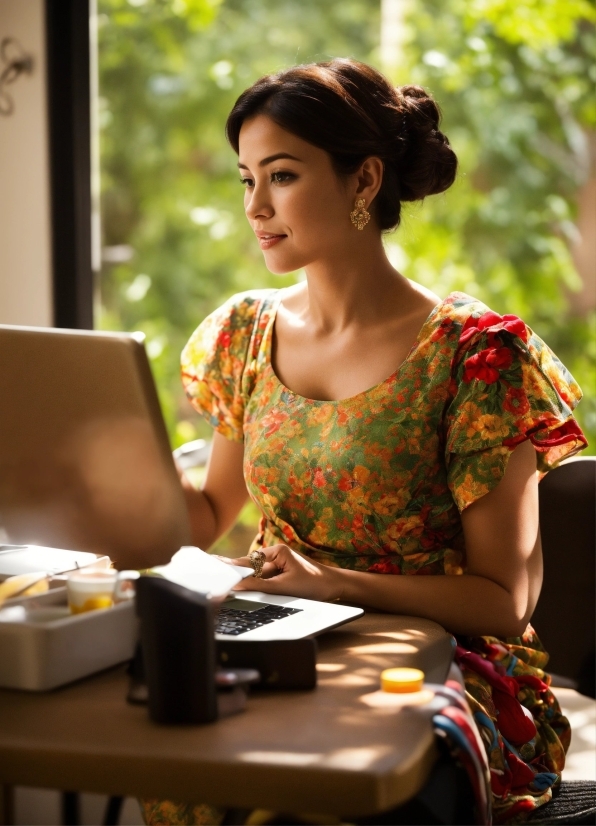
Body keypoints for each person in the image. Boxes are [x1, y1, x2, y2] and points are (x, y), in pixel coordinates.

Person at [142, 59, 587, 826]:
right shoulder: (244, 331)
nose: (256, 206)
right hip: (283, 645)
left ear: (364, 180)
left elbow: (502, 602)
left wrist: (337, 584)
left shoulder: (477, 355)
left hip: (445, 675)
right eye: (245, 179)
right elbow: (207, 511)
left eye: (280, 175)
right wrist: (98, 476)